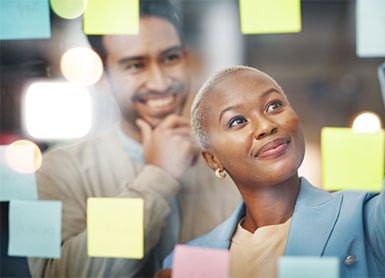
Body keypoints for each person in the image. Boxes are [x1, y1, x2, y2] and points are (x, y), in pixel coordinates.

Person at [160, 60, 385, 277]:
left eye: (274, 105)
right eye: (237, 121)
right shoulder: (188, 264)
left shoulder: (361, 221)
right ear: (213, 160)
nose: (266, 125)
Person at [27, 1, 240, 277]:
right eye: (136, 65)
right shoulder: (58, 169)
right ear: (103, 77)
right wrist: (158, 176)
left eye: (170, 58)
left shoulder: (225, 161)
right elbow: (57, 274)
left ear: (186, 59)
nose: (160, 81)